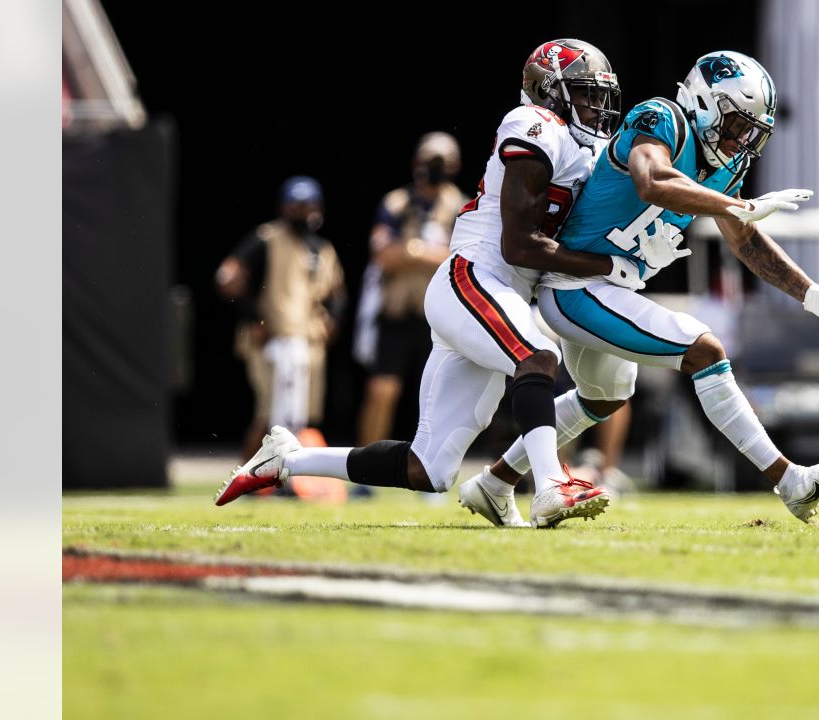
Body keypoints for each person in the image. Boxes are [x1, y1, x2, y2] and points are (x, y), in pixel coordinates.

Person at [216, 40, 681, 528]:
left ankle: (286, 459)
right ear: (549, 92)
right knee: (539, 355)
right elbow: (519, 246)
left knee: (429, 468)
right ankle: (550, 484)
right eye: (585, 93)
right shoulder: (534, 126)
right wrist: (607, 269)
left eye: (598, 95)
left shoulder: (586, 148)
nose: (595, 106)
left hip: (504, 293)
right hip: (476, 275)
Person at [472, 51, 819, 524]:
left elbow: (743, 239)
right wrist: (737, 206)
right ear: (704, 102)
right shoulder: (661, 118)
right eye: (733, 124)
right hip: (574, 284)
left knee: (605, 395)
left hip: (607, 288)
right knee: (704, 348)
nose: (738, 139)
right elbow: (653, 180)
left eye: (749, 131)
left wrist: (811, 294)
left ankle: (495, 481)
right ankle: (789, 481)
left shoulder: (724, 166)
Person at [214, 176, 346, 462]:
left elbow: (336, 291)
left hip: (308, 342)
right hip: (273, 341)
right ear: (284, 207)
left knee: (300, 419)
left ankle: (289, 482)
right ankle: (244, 477)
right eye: (296, 206)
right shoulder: (267, 239)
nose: (302, 212)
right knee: (270, 416)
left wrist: (333, 320)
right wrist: (253, 318)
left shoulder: (322, 248)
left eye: (308, 206)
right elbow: (228, 278)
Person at [355, 133, 469, 447]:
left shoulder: (461, 206)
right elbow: (382, 255)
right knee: (382, 390)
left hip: (437, 317)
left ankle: (428, 466)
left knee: (436, 395)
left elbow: (463, 258)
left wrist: (413, 250)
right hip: (396, 311)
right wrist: (424, 252)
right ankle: (365, 467)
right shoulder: (396, 203)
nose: (432, 168)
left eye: (440, 162)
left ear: (453, 165)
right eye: (427, 160)